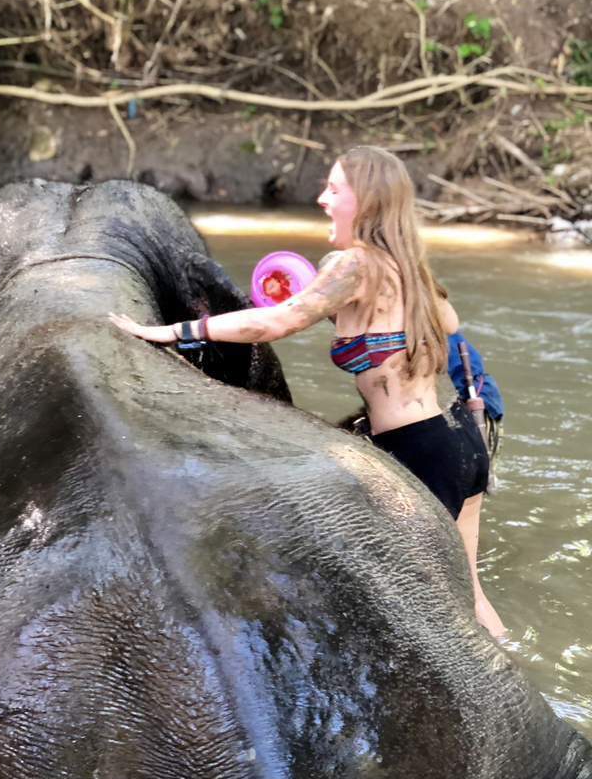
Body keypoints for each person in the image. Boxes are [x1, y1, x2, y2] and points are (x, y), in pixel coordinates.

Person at [108, 145, 505, 638]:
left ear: (366, 201)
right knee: (471, 601)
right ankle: (520, 673)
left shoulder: (356, 265)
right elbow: (448, 322)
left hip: (417, 453)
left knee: (422, 619)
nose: (321, 198)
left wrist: (177, 332)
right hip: (458, 438)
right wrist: (353, 317)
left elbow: (276, 322)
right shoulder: (410, 269)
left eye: (335, 189)